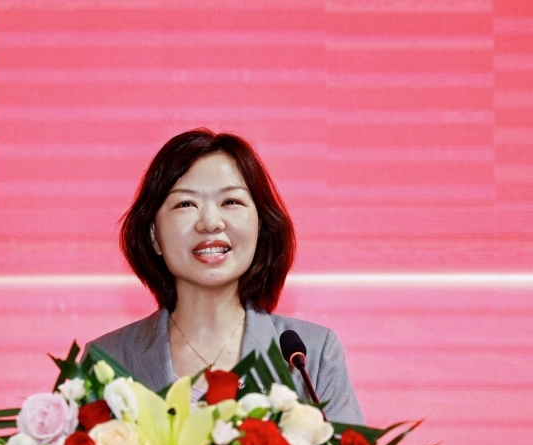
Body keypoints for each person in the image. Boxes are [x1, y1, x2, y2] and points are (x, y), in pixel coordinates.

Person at [86, 129, 364, 425]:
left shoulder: (310, 354)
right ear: (154, 236)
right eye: (185, 204)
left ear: (260, 225)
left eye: (230, 201)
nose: (210, 223)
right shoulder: (108, 359)